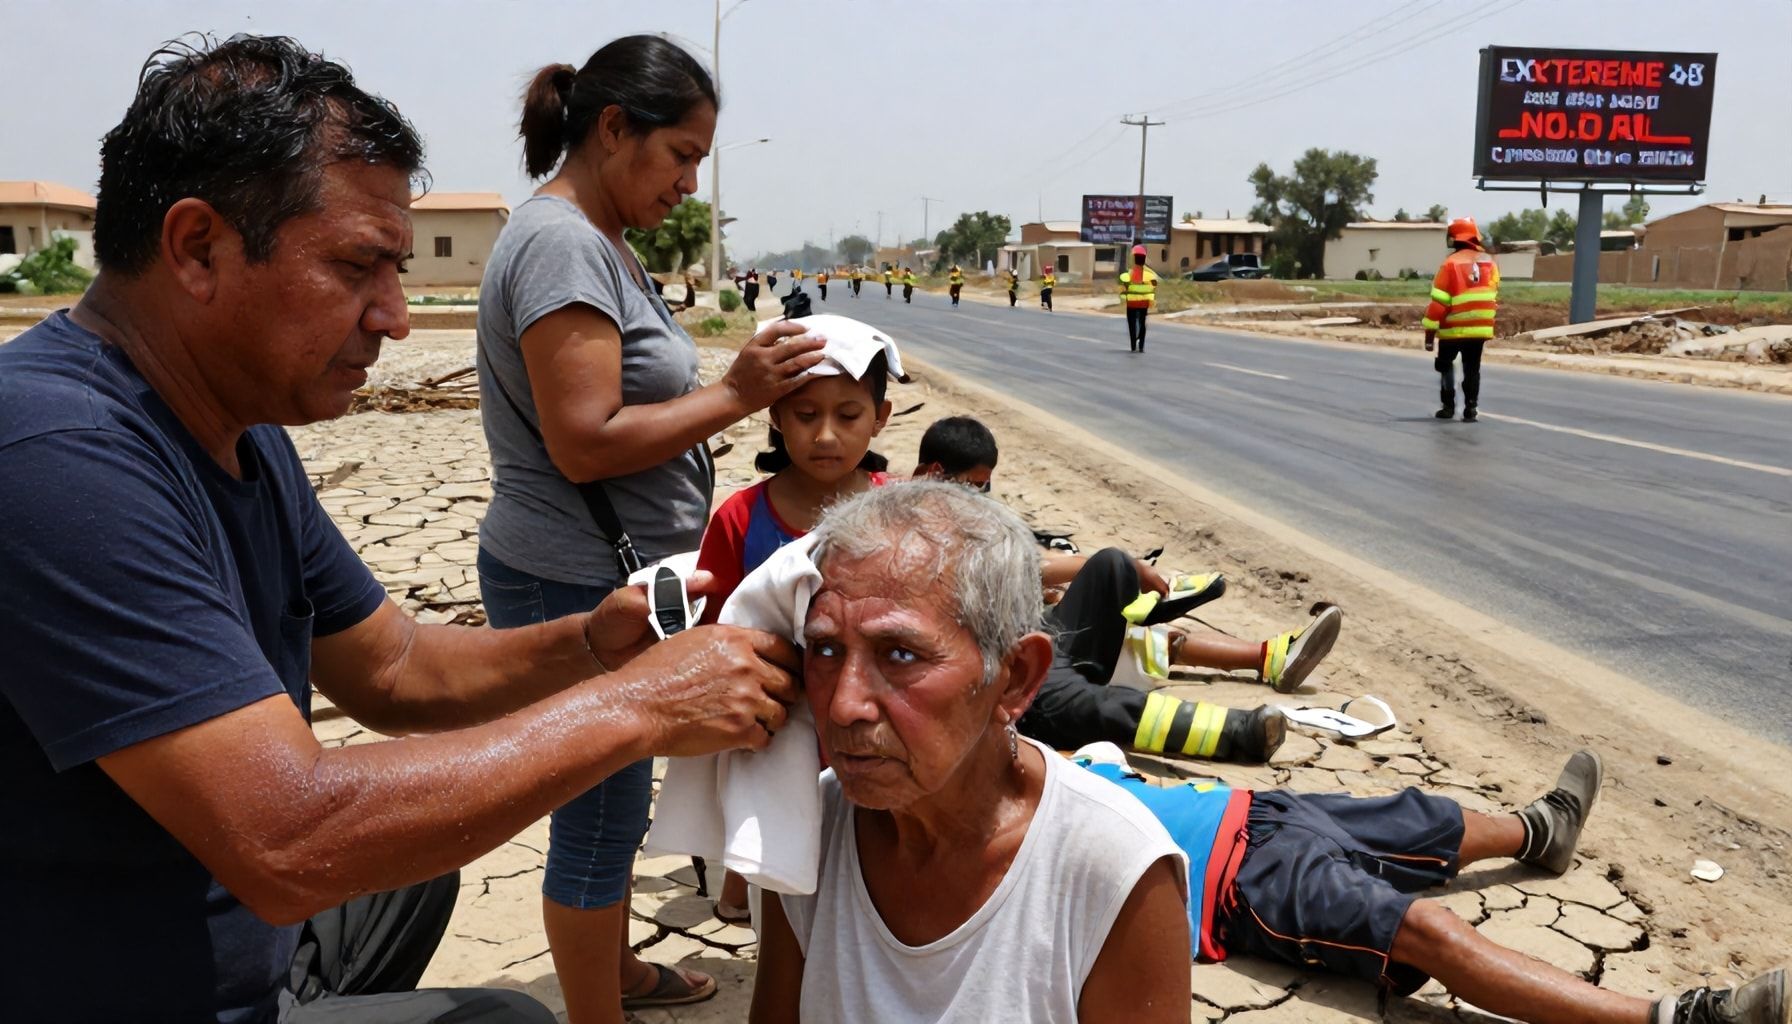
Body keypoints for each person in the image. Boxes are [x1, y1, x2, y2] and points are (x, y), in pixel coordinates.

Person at [0, 34, 803, 1024]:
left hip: (227, 920)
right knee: (503, 1013)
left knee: (412, 868)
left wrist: (595, 645)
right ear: (199, 247)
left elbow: (395, 668)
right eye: (357, 267)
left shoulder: (240, 429)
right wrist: (641, 706)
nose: (394, 317)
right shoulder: (55, 455)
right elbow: (288, 839)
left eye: (398, 270)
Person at [477, 35, 828, 1022]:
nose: (689, 183)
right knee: (597, 815)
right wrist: (736, 394)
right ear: (612, 129)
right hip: (569, 577)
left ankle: (616, 968)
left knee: (616, 796)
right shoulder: (561, 244)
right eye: (681, 155)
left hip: (609, 572)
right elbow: (583, 441)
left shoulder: (600, 239)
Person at [749, 483, 1193, 1023]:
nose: (844, 706)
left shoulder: (1112, 869)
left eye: (899, 654)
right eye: (825, 649)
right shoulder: (806, 826)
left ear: (1015, 677)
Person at [1076, 744, 1790, 1024]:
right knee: (1422, 928)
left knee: (1418, 817)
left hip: (1258, 809)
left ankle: (1538, 831)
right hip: (1239, 881)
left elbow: (1104, 753)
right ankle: (1683, 1019)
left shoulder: (1053, 766)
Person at [914, 417, 1337, 763]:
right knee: (1105, 699)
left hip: (1035, 639)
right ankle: (1239, 733)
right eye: (972, 485)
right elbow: (1022, 567)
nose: (980, 496)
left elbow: (1027, 560)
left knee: (1111, 564)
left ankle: (1137, 639)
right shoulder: (913, 526)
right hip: (1004, 674)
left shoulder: (968, 514)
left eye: (984, 486)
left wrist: (1114, 570)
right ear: (934, 474)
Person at [695, 328, 906, 922]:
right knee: (766, 820)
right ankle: (743, 887)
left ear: (881, 417)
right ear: (775, 416)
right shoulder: (740, 518)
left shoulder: (904, 510)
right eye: (806, 415)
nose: (826, 435)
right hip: (776, 712)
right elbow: (716, 628)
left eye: (848, 415)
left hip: (871, 707)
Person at [1424, 217, 1500, 423]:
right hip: (1480, 329)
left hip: (1452, 329)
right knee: (1472, 368)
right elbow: (1493, 291)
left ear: (1454, 238)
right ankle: (1471, 408)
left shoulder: (1450, 264)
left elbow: (1439, 303)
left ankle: (1448, 407)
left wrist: (1429, 333)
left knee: (1445, 365)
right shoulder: (1489, 262)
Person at [1119, 243, 1159, 353]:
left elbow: (1123, 286)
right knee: (1142, 323)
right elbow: (1154, 286)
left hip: (1132, 303)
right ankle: (1141, 345)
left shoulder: (1128, 274)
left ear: (1134, 260)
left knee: (1132, 324)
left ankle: (1133, 345)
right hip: (1144, 303)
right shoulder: (1150, 275)